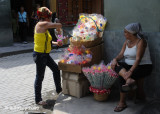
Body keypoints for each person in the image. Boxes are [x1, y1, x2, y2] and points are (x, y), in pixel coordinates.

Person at [111, 23, 152, 112]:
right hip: (129, 66)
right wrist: (115, 59)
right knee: (115, 64)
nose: (124, 34)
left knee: (121, 76)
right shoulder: (126, 42)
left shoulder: (141, 41)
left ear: (131, 33)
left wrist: (130, 71)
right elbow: (121, 54)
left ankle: (122, 103)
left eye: (125, 32)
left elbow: (138, 59)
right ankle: (129, 80)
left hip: (143, 67)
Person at [33, 7, 63, 105]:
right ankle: (38, 99)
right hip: (40, 55)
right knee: (40, 77)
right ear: (46, 17)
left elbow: (49, 42)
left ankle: (59, 89)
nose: (50, 19)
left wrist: (56, 43)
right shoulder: (42, 24)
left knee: (56, 69)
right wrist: (58, 27)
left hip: (45, 55)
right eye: (50, 17)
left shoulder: (44, 27)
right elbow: (58, 24)